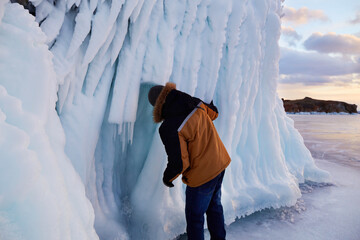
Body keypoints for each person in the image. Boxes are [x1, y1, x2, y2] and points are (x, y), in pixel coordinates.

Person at [148, 82, 231, 240]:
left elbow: (179, 163)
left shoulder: (169, 127)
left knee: (195, 218)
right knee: (214, 207)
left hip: (202, 175)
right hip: (220, 163)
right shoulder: (193, 102)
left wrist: (168, 177)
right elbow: (214, 113)